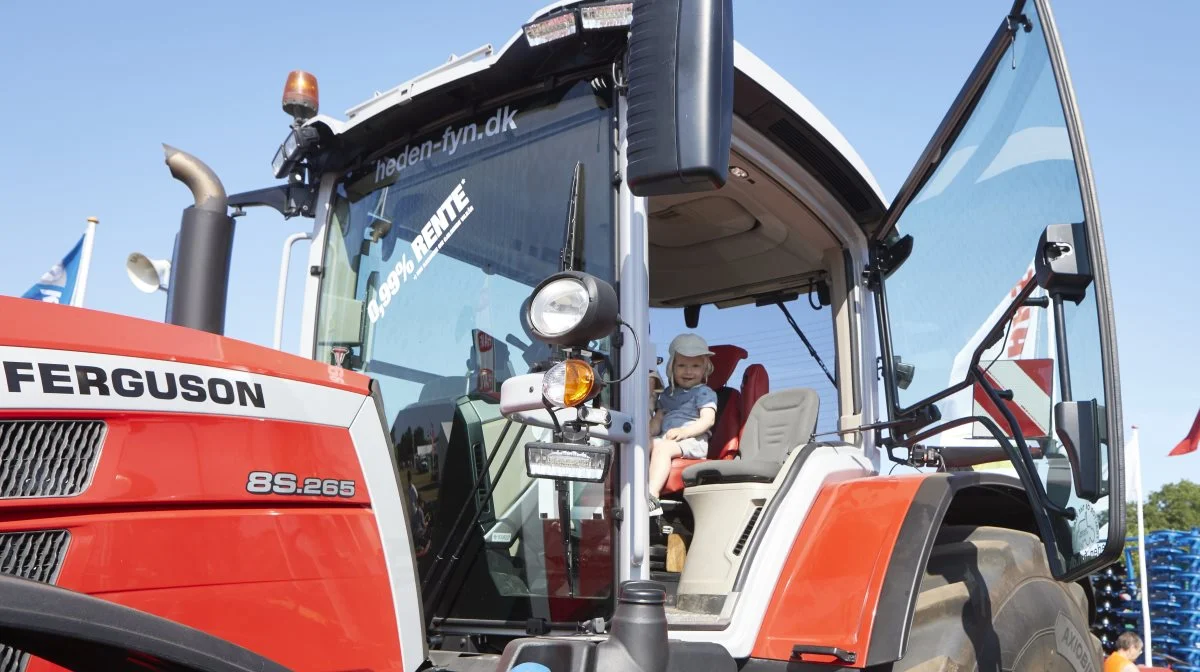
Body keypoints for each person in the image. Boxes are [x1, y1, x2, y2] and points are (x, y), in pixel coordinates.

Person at [647, 333, 718, 516]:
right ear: (672, 368)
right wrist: (651, 424)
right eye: (682, 365)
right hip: (667, 440)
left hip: (693, 441)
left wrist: (684, 432)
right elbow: (657, 422)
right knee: (644, 444)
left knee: (662, 448)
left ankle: (651, 497)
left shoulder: (704, 392)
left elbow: (707, 420)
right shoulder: (667, 395)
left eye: (695, 366)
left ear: (705, 370)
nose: (688, 371)